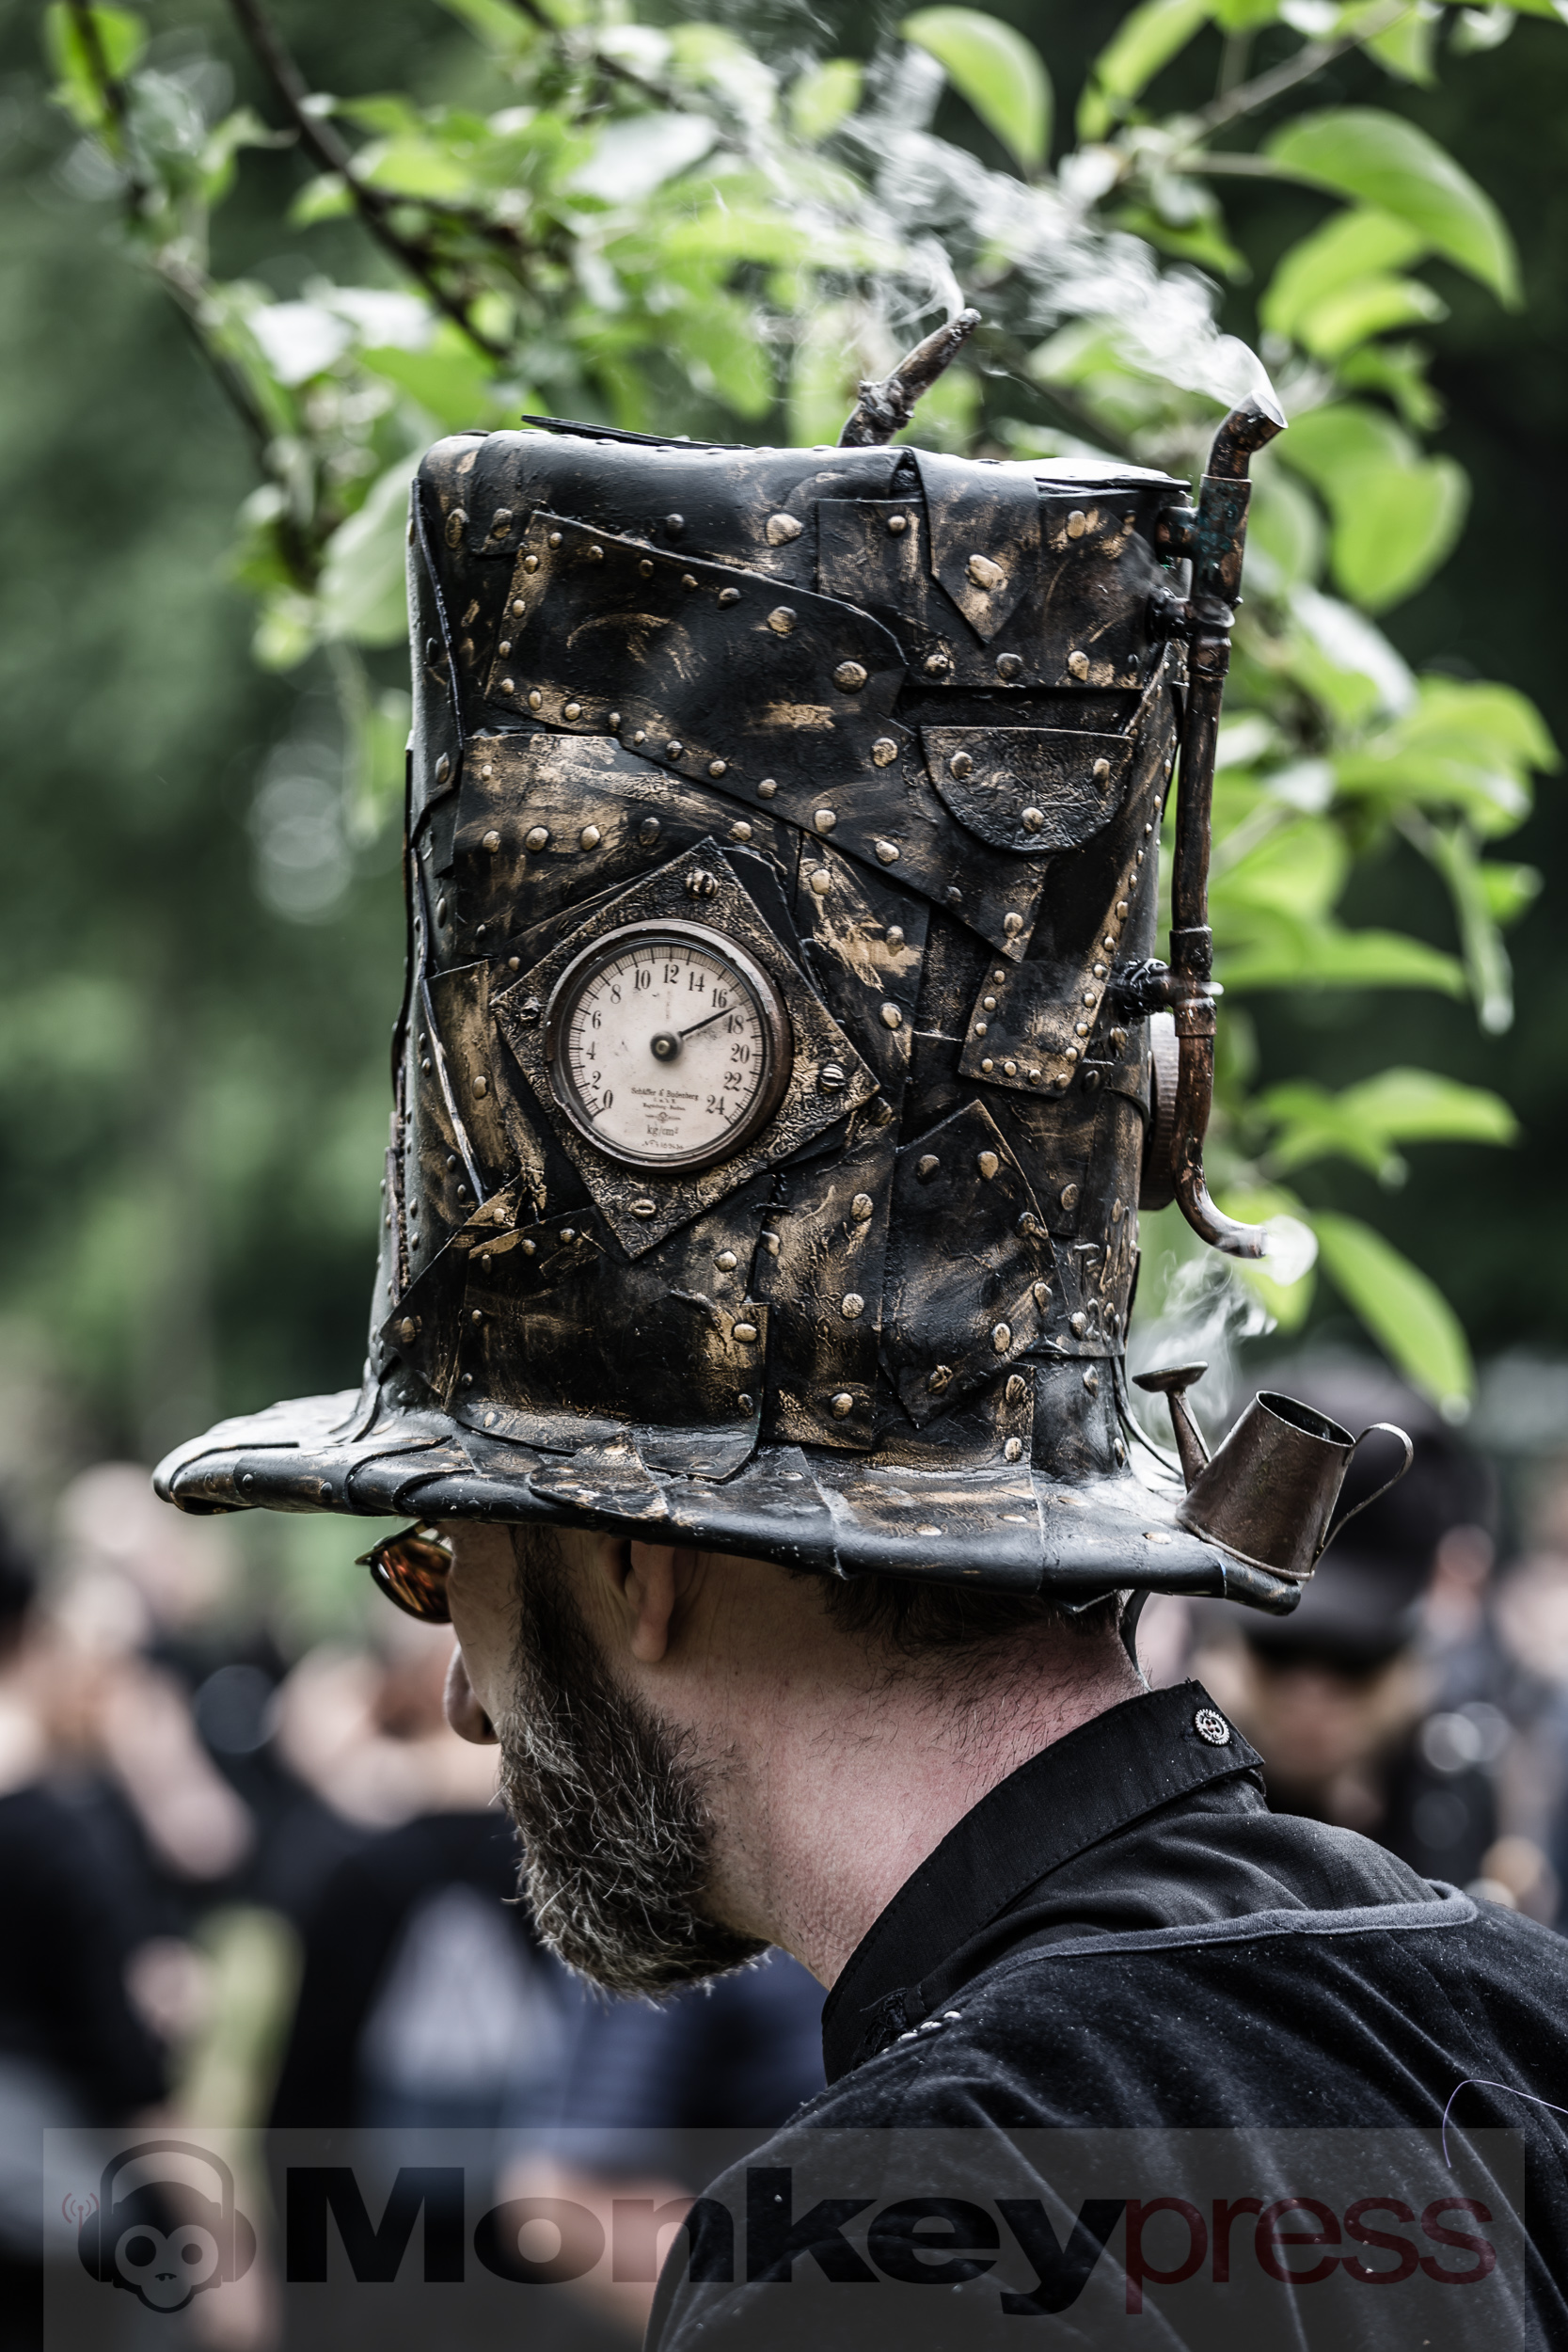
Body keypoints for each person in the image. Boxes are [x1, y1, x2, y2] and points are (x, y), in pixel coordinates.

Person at [153, 413, 1568, 2341]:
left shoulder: (881, 2242)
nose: (466, 1698)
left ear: (639, 1561)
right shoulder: (1508, 2023)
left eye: (439, 1565)